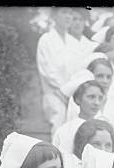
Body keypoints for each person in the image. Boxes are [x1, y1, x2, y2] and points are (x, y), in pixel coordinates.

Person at [36, 7, 80, 135]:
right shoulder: (46, 40)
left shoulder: (74, 43)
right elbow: (47, 72)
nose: (68, 16)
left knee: (74, 128)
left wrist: (71, 91)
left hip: (72, 95)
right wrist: (64, 92)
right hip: (54, 94)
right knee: (58, 127)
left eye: (70, 13)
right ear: (54, 16)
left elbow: (78, 70)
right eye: (64, 12)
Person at [53, 80, 105, 155]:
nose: (97, 103)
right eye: (91, 97)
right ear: (78, 99)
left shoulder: (105, 127)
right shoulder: (65, 130)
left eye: (100, 98)